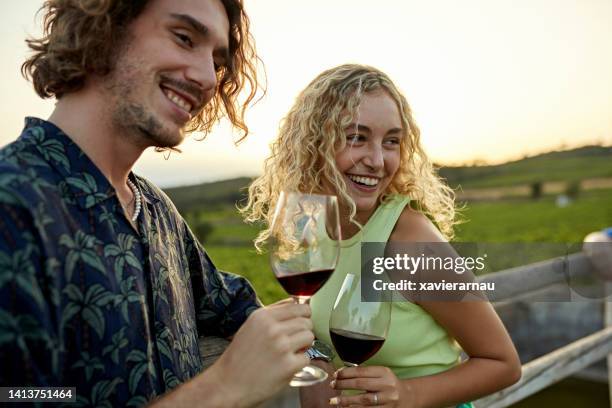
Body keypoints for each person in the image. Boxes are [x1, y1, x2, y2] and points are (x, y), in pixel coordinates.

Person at [0, 1, 314, 406]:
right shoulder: (13, 205)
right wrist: (223, 387)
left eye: (216, 63)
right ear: (105, 27)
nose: (206, 78)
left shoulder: (156, 211)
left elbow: (229, 302)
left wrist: (317, 360)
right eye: (185, 38)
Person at [242, 64, 522, 407]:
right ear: (315, 143)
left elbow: (503, 364)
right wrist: (315, 351)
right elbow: (316, 325)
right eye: (356, 137)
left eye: (391, 141)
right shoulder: (310, 221)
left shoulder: (410, 240)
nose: (377, 160)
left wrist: (407, 393)